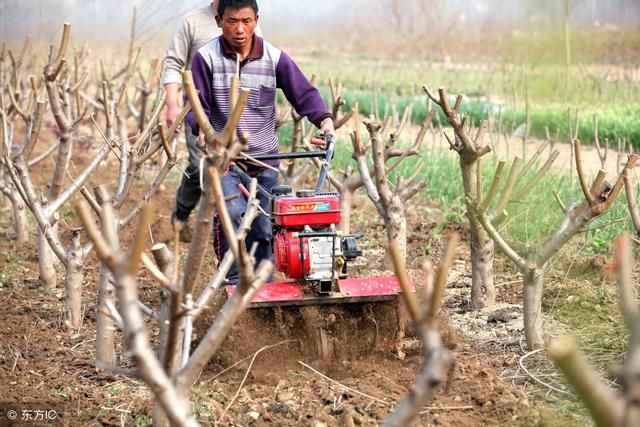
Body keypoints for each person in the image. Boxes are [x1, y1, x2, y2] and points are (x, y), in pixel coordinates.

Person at [186, 0, 335, 284]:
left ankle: (264, 286)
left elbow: (303, 92)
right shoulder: (205, 59)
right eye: (232, 21)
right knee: (232, 216)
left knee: (265, 226)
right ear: (218, 21)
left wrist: (324, 120)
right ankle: (232, 282)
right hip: (226, 160)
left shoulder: (273, 57)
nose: (239, 29)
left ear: (256, 19)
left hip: (265, 158)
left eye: (246, 21)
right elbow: (195, 105)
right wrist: (205, 133)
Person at [162, 0, 262, 238]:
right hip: (201, 112)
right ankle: (182, 214)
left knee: (239, 170)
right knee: (202, 169)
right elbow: (174, 63)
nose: (239, 28)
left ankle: (237, 226)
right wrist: (172, 102)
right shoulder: (192, 22)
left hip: (238, 113)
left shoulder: (245, 18)